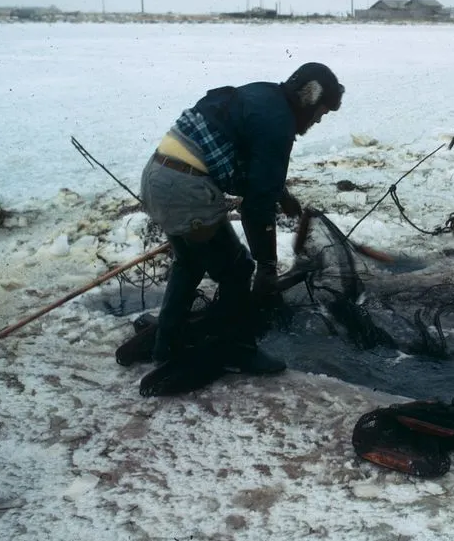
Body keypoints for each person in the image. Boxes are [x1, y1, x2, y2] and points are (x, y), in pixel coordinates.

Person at [139, 62, 344, 373]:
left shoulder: (265, 96)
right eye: (321, 112)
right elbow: (255, 207)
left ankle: (167, 344)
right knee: (238, 269)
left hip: (159, 175)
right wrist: (267, 265)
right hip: (187, 189)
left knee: (190, 261)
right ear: (309, 98)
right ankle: (238, 350)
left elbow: (253, 165)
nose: (317, 121)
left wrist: (282, 195)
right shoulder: (279, 122)